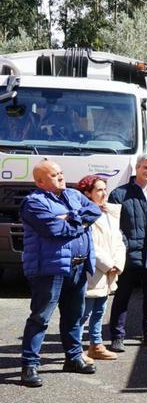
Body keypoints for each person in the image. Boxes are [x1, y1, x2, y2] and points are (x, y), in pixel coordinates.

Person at [19, 160, 102, 387]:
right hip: (49, 269)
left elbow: (94, 210)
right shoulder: (33, 203)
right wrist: (80, 221)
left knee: (74, 316)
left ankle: (73, 358)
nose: (61, 177)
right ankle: (29, 366)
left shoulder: (74, 195)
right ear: (40, 181)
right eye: (55, 175)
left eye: (61, 173)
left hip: (78, 266)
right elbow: (54, 230)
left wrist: (70, 218)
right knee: (40, 317)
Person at [108, 153, 147, 352]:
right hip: (130, 256)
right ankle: (117, 336)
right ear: (136, 169)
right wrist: (125, 245)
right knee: (123, 297)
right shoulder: (120, 194)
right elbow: (114, 226)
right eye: (145, 167)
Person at [76, 175, 126, 361]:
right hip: (93, 269)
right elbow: (89, 245)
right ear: (88, 193)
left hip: (108, 271)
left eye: (105, 189)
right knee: (84, 313)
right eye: (99, 190)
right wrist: (108, 264)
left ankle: (96, 345)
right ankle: (76, 349)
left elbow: (118, 241)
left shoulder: (109, 213)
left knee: (100, 311)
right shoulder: (84, 214)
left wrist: (118, 264)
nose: (104, 193)